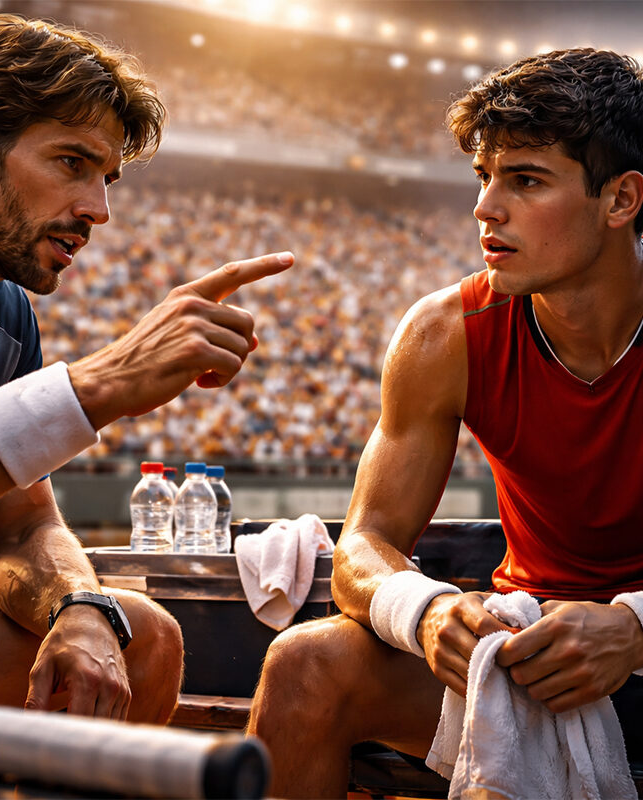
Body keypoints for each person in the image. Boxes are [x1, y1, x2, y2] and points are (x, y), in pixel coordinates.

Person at [0, 13, 293, 722]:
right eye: (71, 163)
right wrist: (97, 385)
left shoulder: (5, 318)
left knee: (138, 640)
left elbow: (22, 530)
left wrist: (78, 604)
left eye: (106, 177)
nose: (99, 210)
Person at [247, 47, 643, 797]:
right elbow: (363, 545)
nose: (485, 208)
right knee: (305, 666)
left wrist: (634, 627)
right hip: (524, 653)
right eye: (484, 177)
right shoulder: (444, 332)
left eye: (525, 180)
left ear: (621, 200)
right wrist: (425, 611)